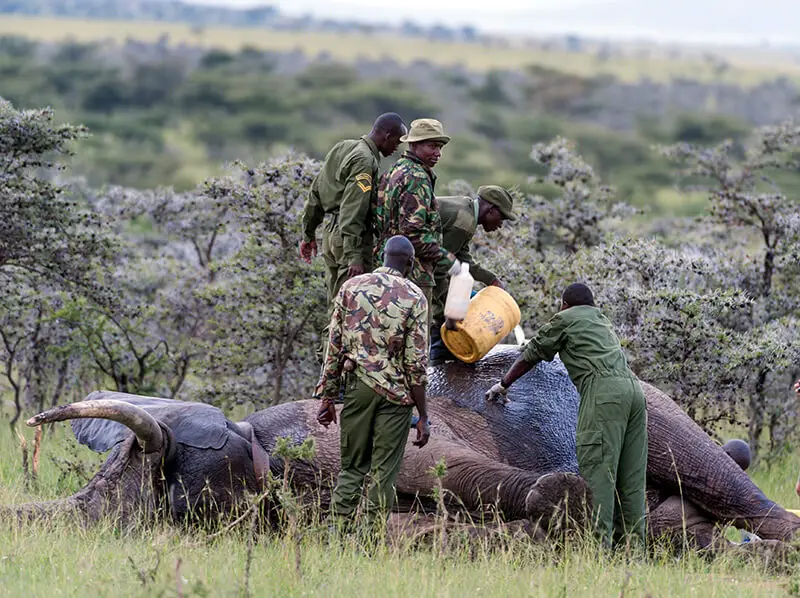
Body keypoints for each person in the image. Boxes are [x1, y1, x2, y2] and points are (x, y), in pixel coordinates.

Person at [485, 283, 647, 549]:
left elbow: (532, 353)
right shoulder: (600, 319)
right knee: (631, 479)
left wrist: (503, 383)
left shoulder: (565, 318)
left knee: (599, 475)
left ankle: (597, 552)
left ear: (564, 305)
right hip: (635, 393)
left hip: (603, 393)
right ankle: (633, 552)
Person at [315, 235, 431, 525]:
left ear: (381, 255)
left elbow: (334, 345)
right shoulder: (415, 296)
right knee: (383, 474)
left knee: (351, 468)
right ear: (411, 263)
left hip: (357, 388)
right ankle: (368, 543)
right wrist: (423, 415)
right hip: (397, 397)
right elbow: (416, 363)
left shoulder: (350, 287)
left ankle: (337, 535)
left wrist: (327, 396)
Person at [300, 113, 407, 311]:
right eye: (396, 141)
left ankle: (328, 343)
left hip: (330, 235)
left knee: (335, 303)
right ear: (387, 135)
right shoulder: (365, 161)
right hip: (347, 240)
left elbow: (316, 191)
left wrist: (309, 233)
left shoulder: (342, 147)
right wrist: (354, 255)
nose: (396, 148)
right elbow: (352, 210)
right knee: (348, 309)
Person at [373, 118, 460, 332]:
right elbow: (413, 235)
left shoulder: (392, 172)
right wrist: (449, 260)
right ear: (413, 145)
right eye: (431, 146)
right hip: (413, 275)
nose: (437, 153)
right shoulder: (417, 177)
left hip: (383, 269)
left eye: (439, 147)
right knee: (415, 340)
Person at [430, 185, 517, 363]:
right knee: (445, 321)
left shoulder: (468, 211)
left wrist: (490, 279)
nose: (500, 225)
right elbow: (437, 265)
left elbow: (461, 258)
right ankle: (436, 369)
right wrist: (447, 309)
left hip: (416, 257)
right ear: (491, 210)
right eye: (501, 218)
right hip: (405, 258)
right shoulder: (463, 222)